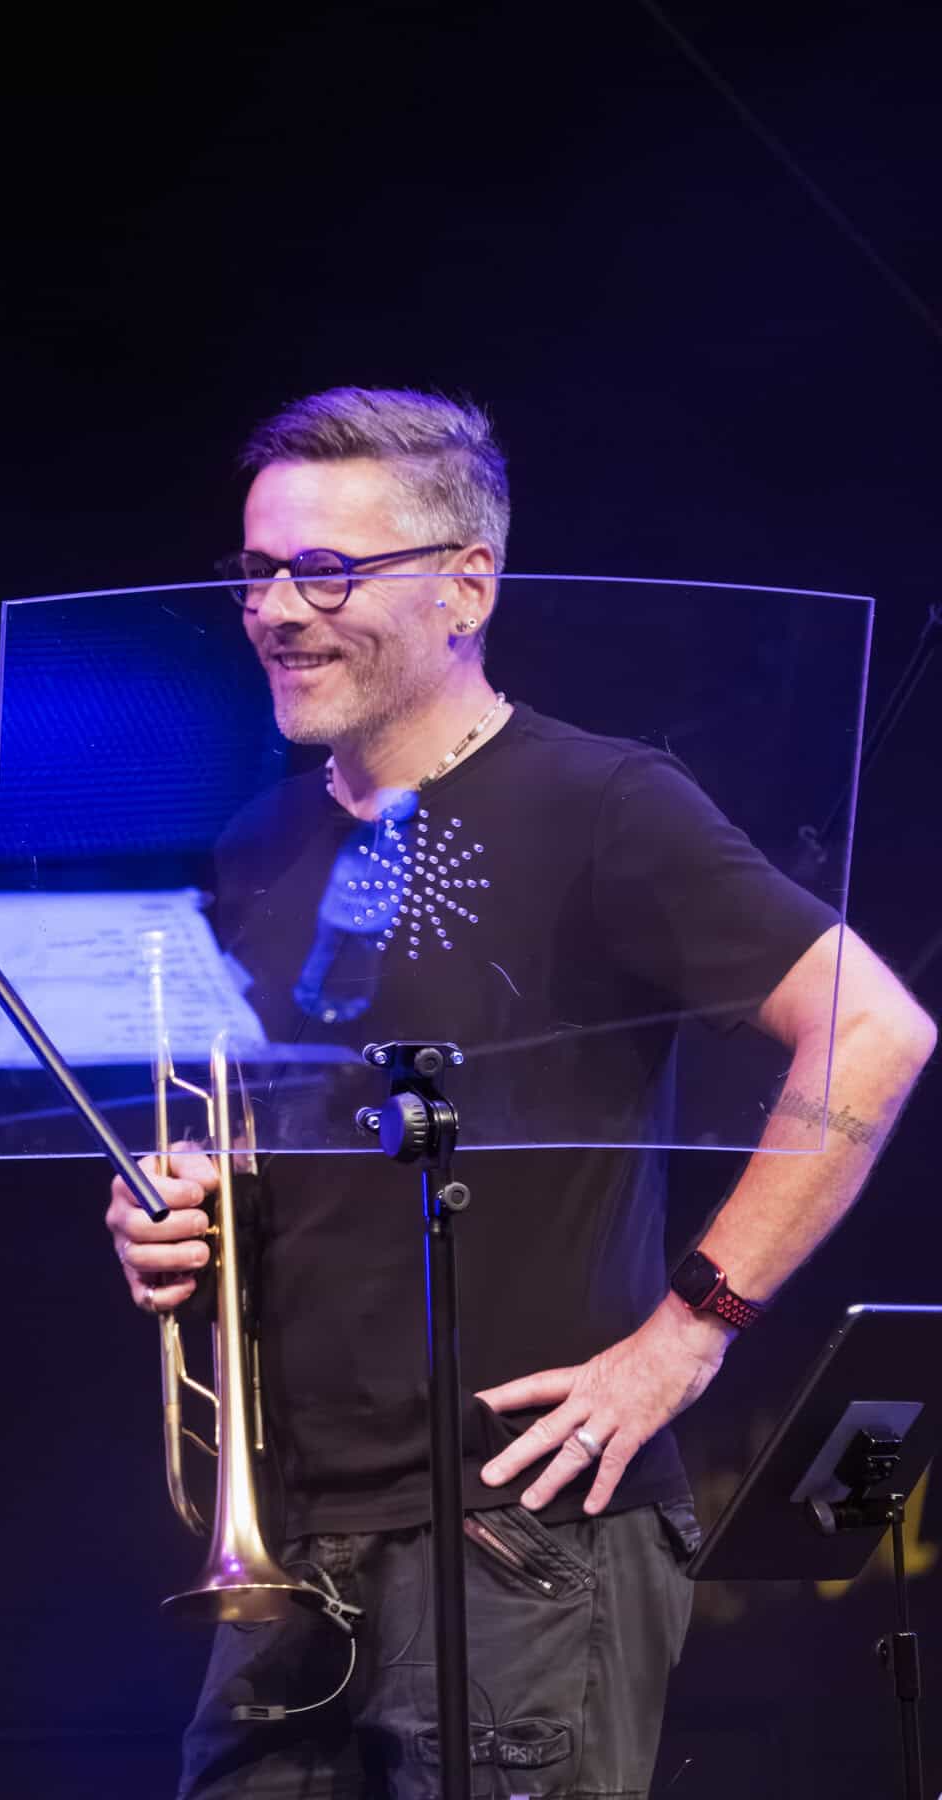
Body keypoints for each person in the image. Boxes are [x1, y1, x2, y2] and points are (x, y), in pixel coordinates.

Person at [104, 387, 936, 1799]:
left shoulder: (605, 801)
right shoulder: (258, 839)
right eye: (258, 572)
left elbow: (874, 1031)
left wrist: (693, 1332)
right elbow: (277, 1131)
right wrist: (175, 1207)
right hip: (294, 1544)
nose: (277, 611)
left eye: (328, 572)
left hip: (525, 1535)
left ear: (467, 586)